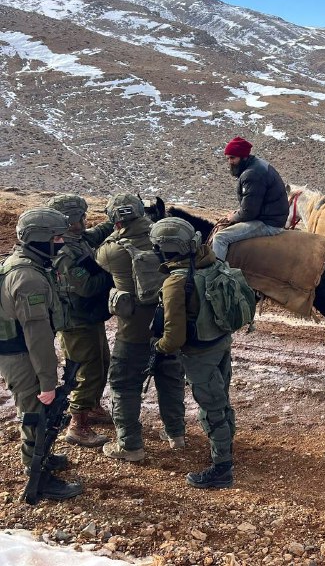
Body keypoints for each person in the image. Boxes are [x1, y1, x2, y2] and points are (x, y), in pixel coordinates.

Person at [0, 208, 82, 500]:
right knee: (36, 412)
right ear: (39, 239)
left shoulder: (27, 264)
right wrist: (48, 382)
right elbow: (38, 337)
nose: (61, 242)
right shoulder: (28, 277)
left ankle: (40, 457)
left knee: (38, 411)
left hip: (20, 351)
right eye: (57, 237)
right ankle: (36, 472)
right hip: (22, 354)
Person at [96, 194, 185, 462]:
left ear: (116, 219)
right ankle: (176, 434)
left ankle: (130, 445)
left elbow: (97, 257)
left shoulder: (113, 249)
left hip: (133, 329)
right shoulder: (165, 239)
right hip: (168, 323)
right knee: (170, 378)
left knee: (124, 384)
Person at [150, 217, 236, 488]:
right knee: (222, 399)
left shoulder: (175, 283)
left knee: (211, 408)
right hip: (220, 341)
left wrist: (159, 347)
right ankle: (226, 447)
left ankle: (222, 467)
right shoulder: (211, 263)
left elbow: (174, 337)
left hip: (199, 353)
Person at [47, 194, 114, 447]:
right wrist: (112, 275)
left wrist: (116, 218)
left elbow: (96, 234)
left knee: (101, 361)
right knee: (86, 370)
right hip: (75, 320)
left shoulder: (76, 238)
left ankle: (92, 406)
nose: (86, 221)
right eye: (81, 217)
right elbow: (85, 286)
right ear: (69, 221)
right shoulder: (63, 252)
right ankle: (78, 424)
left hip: (89, 315)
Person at [211, 136, 289, 261]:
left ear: (243, 157)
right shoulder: (256, 165)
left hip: (268, 223)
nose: (230, 162)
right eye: (228, 158)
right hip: (271, 217)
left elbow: (249, 212)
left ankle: (217, 275)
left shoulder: (252, 174)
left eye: (233, 158)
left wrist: (234, 217)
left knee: (220, 238)